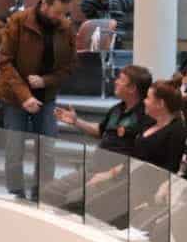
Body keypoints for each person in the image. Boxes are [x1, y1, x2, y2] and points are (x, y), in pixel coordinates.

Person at [0, 0, 77, 199]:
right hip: (15, 96)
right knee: (15, 148)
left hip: (46, 95)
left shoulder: (65, 27)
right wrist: (25, 95)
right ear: (44, 4)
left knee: (47, 149)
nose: (61, 17)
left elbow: (69, 67)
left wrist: (45, 81)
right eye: (58, 12)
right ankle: (17, 193)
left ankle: (42, 193)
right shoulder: (18, 21)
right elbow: (5, 63)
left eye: (65, 12)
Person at [47, 65, 153, 210]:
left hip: (115, 175)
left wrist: (111, 174)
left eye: (120, 80)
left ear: (132, 88)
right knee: (50, 191)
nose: (115, 82)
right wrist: (76, 122)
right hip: (93, 168)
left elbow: (141, 157)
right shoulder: (116, 109)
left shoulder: (145, 116)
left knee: (74, 200)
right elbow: (100, 130)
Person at [88, 79, 187, 186]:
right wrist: (109, 174)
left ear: (161, 104)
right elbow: (134, 159)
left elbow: (170, 169)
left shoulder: (176, 131)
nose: (144, 101)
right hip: (128, 178)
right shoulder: (149, 123)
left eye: (148, 98)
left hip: (144, 186)